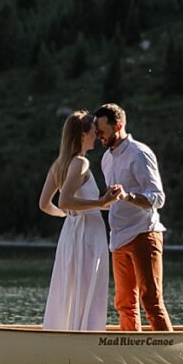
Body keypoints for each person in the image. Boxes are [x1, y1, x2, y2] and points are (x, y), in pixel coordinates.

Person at [38, 109, 119, 331]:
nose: (98, 134)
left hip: (71, 232)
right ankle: (85, 333)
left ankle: (64, 330)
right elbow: (65, 201)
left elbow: (45, 205)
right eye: (94, 131)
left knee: (70, 284)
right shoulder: (81, 163)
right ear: (82, 135)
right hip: (88, 233)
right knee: (87, 285)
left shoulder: (59, 164)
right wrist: (100, 203)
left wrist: (68, 216)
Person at [93, 102, 171, 331]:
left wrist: (127, 196)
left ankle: (167, 354)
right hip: (118, 239)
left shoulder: (139, 153)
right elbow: (113, 201)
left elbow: (158, 197)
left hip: (143, 234)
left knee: (151, 301)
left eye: (101, 131)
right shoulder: (106, 159)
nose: (97, 136)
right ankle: (131, 353)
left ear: (118, 126)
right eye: (96, 131)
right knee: (124, 304)